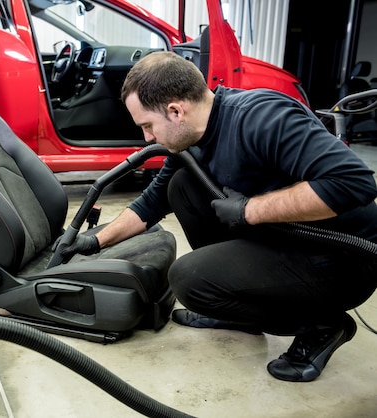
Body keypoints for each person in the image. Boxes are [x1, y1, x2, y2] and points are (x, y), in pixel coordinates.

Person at [55, 51, 377, 382]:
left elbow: (354, 183)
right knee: (180, 186)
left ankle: (322, 324)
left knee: (190, 280)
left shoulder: (262, 117)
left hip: (342, 258)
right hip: (283, 237)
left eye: (148, 126)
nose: (147, 138)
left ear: (176, 110)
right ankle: (240, 312)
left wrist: (249, 210)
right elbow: (150, 203)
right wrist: (93, 242)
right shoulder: (190, 139)